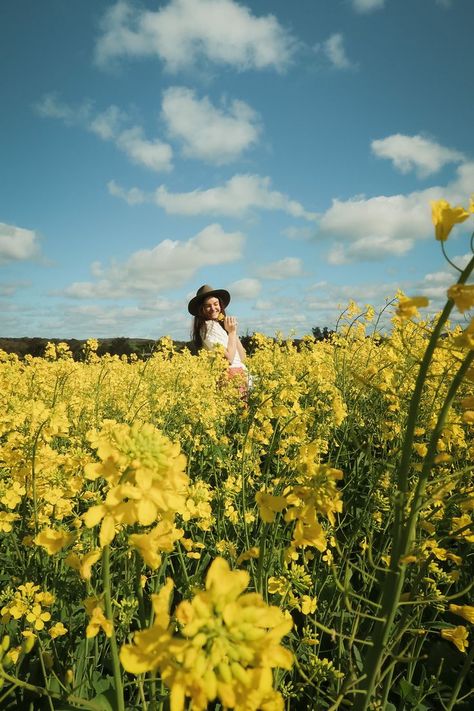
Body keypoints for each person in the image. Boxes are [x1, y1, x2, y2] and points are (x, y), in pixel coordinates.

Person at [188, 284, 248, 382]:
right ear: (201, 310)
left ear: (220, 305)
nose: (213, 308)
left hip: (241, 374)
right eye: (208, 306)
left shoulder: (220, 326)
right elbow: (228, 360)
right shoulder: (207, 327)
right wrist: (232, 333)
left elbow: (242, 357)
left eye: (216, 304)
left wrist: (232, 331)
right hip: (230, 377)